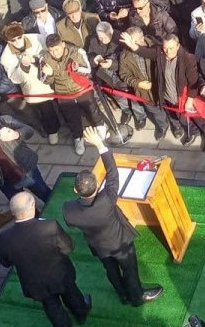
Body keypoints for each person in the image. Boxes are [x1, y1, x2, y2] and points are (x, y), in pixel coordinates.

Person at [63, 127, 163, 306]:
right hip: (120, 243)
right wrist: (99, 144)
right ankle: (137, 296)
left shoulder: (69, 210)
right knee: (129, 269)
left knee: (111, 270)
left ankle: (123, 295)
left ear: (75, 190)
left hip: (99, 246)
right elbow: (112, 171)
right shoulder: (107, 198)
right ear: (96, 186)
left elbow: (70, 223)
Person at [0, 192, 90, 327]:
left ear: (12, 212)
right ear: (32, 206)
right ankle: (81, 314)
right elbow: (68, 248)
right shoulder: (50, 226)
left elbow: (5, 263)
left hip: (35, 283)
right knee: (72, 295)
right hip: (60, 274)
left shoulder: (2, 238)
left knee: (52, 308)